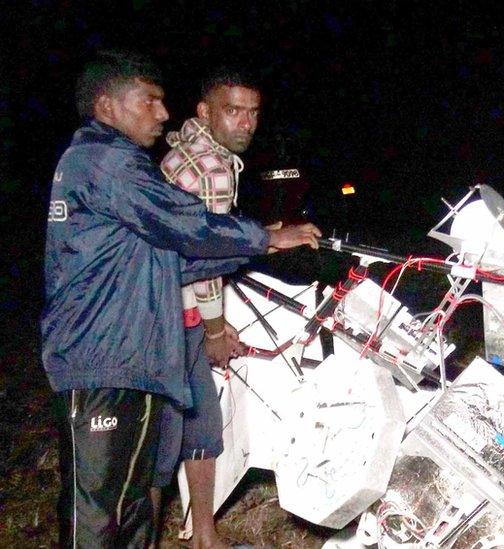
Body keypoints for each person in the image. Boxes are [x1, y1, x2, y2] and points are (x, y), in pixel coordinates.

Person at [42, 50, 321, 548]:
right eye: (149, 100)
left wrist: (258, 240)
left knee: (128, 505)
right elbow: (187, 226)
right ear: (107, 105)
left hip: (130, 352)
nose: (163, 113)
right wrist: (264, 239)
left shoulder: (108, 163)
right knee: (98, 514)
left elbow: (167, 260)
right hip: (106, 356)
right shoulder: (108, 161)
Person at [151, 67, 263, 549]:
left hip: (176, 310)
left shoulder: (186, 152)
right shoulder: (213, 169)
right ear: (205, 112)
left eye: (253, 112)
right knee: (162, 441)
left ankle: (206, 538)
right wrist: (216, 329)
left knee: (200, 428)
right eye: (233, 111)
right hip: (169, 320)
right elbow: (206, 254)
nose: (246, 123)